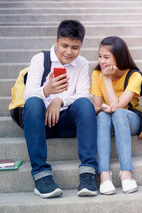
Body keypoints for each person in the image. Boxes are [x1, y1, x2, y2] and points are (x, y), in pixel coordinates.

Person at [23, 20, 98, 198]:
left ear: (81, 46)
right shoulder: (40, 59)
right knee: (33, 102)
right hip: (40, 123)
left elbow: (82, 94)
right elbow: (27, 96)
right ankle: (41, 176)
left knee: (85, 103)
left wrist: (59, 101)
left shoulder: (81, 63)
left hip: (66, 122)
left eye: (75, 47)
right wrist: (48, 90)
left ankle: (88, 173)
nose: (69, 52)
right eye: (64, 45)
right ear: (56, 41)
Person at [90, 36, 142, 195]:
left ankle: (126, 172)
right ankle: (104, 174)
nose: (102, 61)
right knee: (103, 116)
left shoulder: (134, 76)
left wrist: (107, 79)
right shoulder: (96, 74)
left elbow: (117, 106)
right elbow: (97, 108)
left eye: (106, 57)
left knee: (118, 113)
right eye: (100, 56)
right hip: (107, 120)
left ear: (119, 57)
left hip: (130, 120)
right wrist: (103, 108)